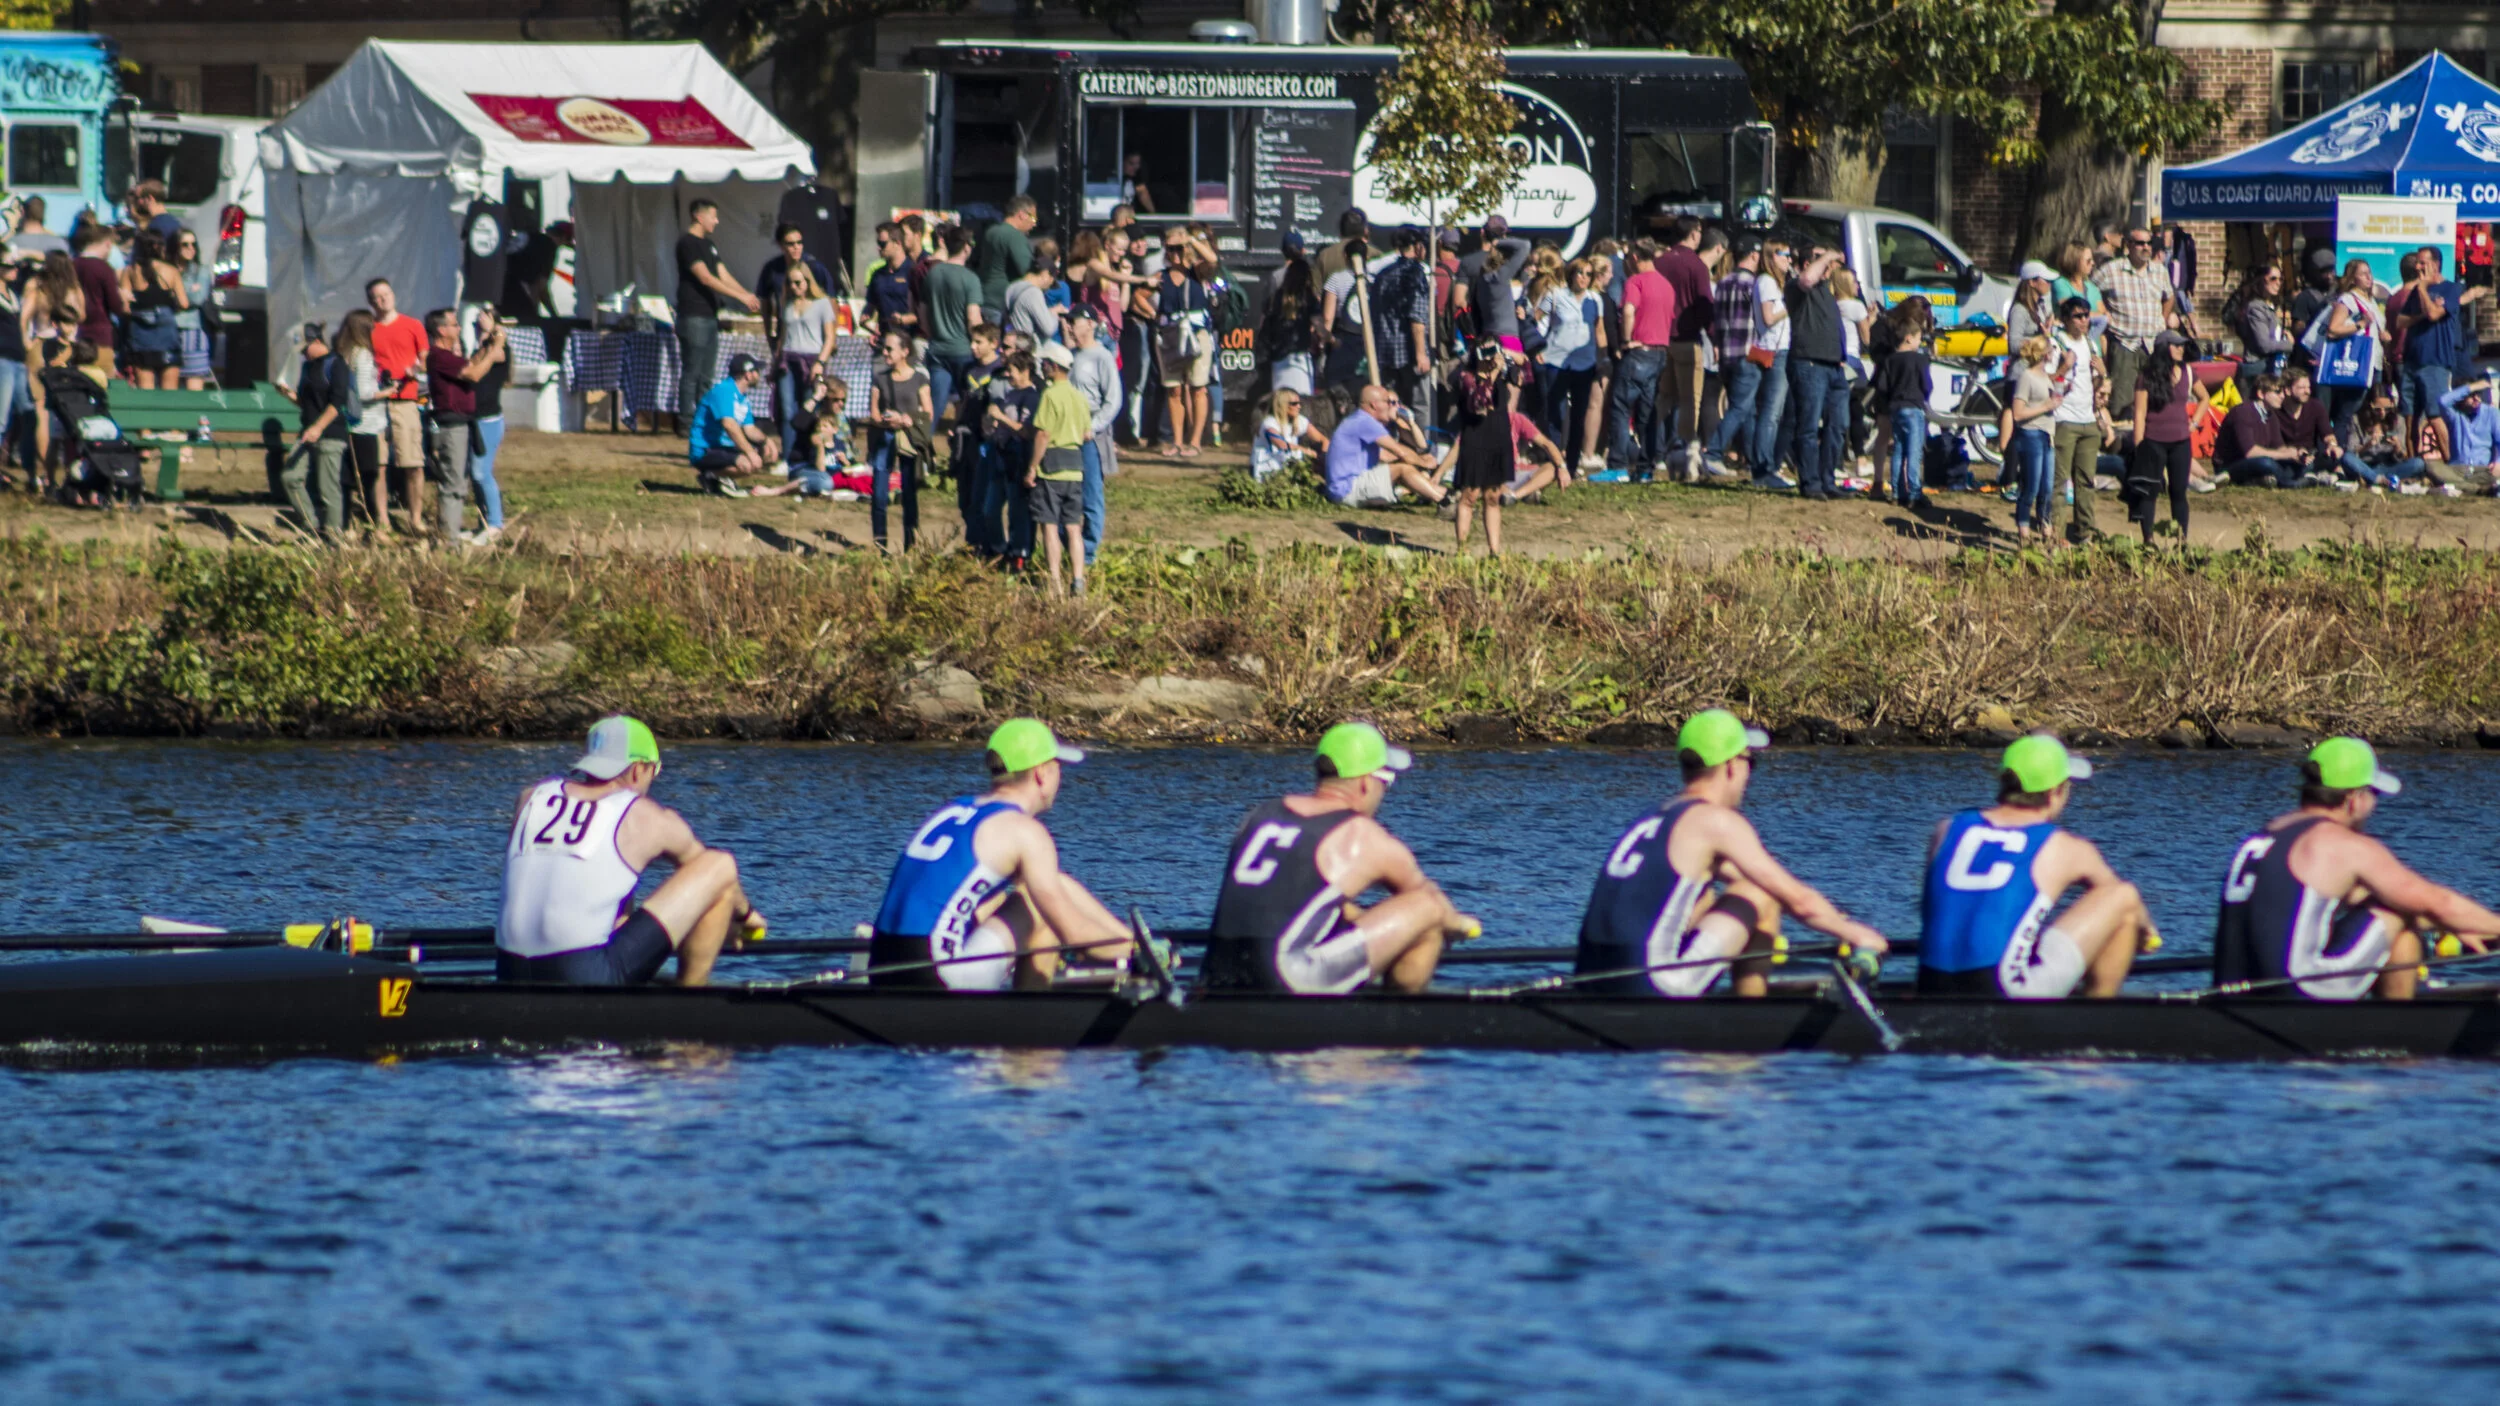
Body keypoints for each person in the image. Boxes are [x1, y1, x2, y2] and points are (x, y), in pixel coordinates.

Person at [1577, 710, 1887, 997]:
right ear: (1730, 766)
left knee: (1706, 895)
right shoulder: (1717, 822)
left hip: (1587, 974)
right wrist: (1855, 933)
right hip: (1651, 983)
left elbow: (1760, 884)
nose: (1749, 774)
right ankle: (1751, 1018)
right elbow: (1795, 899)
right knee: (1760, 896)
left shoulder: (1653, 816)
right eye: (1750, 762)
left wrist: (1833, 917)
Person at [1202, 722, 1480, 995]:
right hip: (1286, 978)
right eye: (1385, 782)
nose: (1383, 792)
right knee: (1427, 908)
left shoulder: (1260, 815)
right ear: (1364, 783)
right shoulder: (1362, 835)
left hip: (1217, 972)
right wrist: (1458, 926)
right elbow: (1432, 904)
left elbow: (1290, 903)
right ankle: (1402, 1022)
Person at [2213, 738, 2500, 1001]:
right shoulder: (2340, 844)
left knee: (2401, 908)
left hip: (2235, 991)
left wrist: (2452, 925)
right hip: (2302, 991)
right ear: (2355, 799)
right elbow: (2437, 902)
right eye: (2374, 794)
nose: (2374, 805)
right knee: (2397, 911)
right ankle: (2400, 1034)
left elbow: (2377, 901)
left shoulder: (2265, 836)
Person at [868, 719, 1134, 990]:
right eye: (1057, 767)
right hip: (936, 978)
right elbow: (1073, 933)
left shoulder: (953, 812)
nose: (1060, 776)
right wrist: (1136, 958)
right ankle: (1033, 1022)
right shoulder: (1025, 831)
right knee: (1042, 912)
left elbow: (986, 907)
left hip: (879, 966)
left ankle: (1133, 940)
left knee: (1046, 886)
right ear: (1041, 773)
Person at [495, 715, 760, 987]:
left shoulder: (530, 798)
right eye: (654, 770)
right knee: (721, 863)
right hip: (585, 974)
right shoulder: (644, 816)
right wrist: (745, 916)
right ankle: (689, 1006)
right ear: (637, 770)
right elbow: (713, 874)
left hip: (508, 970)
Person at [1920, 735, 2154, 998]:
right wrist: (2147, 933)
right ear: (2055, 792)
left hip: (1930, 985)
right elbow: (2124, 903)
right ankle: (2096, 1015)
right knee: (2125, 897)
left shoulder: (1946, 829)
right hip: (2003, 991)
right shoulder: (2065, 846)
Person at [2389, 245, 2486, 448]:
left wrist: (2424, 289)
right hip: (2411, 359)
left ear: (2435, 264)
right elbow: (2401, 321)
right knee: (2410, 418)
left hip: (2435, 360)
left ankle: (2451, 463)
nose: (2418, 267)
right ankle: (2413, 466)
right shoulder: (2416, 291)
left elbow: (2435, 315)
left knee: (2435, 414)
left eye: (2422, 262)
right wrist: (2424, 312)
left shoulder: (2451, 289)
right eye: (2417, 262)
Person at [674, 199, 759, 428]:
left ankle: (703, 419)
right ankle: (685, 420)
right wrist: (740, 297)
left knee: (706, 374)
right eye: (713, 216)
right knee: (692, 370)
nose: (717, 221)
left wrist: (747, 295)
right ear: (699, 217)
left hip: (710, 316)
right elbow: (705, 277)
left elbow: (723, 274)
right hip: (693, 316)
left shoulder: (709, 245)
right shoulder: (687, 244)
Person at [421, 307, 497, 539]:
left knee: (456, 483)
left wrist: (489, 344)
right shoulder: (440, 356)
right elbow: (474, 374)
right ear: (442, 330)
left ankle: (450, 534)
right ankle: (448, 539)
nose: (459, 328)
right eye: (455, 325)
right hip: (451, 427)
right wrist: (496, 350)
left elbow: (471, 364)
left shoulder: (447, 357)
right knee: (453, 485)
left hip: (458, 425)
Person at [2091, 226, 2178, 428]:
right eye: (2140, 243)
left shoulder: (2159, 271)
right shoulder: (2111, 270)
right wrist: (2105, 316)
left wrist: (2163, 319)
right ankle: (2122, 450)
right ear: (2128, 245)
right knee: (2122, 401)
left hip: (2153, 344)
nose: (2146, 247)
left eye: (2149, 243)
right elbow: (2091, 292)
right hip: (2124, 344)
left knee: (2158, 397)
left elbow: (2169, 296)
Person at [2126, 329, 2208, 542]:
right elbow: (2140, 413)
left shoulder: (2188, 372)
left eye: (2182, 345)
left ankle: (2181, 540)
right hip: (2153, 441)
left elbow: (2204, 398)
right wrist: (2139, 446)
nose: (2181, 349)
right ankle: (2148, 540)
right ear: (2164, 348)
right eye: (2176, 345)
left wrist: (2194, 423)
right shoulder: (2146, 376)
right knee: (2150, 492)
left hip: (2180, 441)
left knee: (2179, 492)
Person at [1604, 237, 1673, 480]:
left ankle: (1618, 466)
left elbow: (1629, 310)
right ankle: (1646, 468)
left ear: (1634, 258)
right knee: (1648, 413)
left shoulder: (1635, 281)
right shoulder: (1666, 285)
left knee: (1621, 408)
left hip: (1638, 352)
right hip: (1660, 353)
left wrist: (1625, 340)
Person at [1784, 242, 1849, 501]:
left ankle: (1827, 480)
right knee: (1809, 426)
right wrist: (1830, 255)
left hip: (1834, 367)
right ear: (1807, 263)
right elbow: (1807, 279)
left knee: (1839, 425)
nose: (1829, 264)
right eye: (1821, 258)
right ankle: (1810, 483)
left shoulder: (1825, 291)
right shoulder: (1796, 287)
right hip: (1809, 364)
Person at [1026, 341, 1091, 597]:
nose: (1042, 368)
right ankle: (1078, 580)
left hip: (1051, 467)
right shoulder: (1079, 396)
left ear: (1053, 367)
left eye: (1044, 364)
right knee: (1074, 527)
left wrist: (1032, 467)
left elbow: (1043, 434)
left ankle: (1054, 582)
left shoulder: (1050, 395)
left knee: (1050, 526)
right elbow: (1087, 434)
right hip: (1075, 467)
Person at [1654, 216, 1717, 479]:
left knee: (1662, 398)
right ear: (1693, 234)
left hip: (1660, 339)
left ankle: (1653, 447)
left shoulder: (1660, 262)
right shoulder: (1696, 266)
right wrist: (1714, 339)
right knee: (1691, 399)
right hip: (1687, 340)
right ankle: (1687, 448)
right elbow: (1705, 307)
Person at [366, 279, 430, 535]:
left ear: (393, 294)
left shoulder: (412, 325)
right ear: (371, 302)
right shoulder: (368, 328)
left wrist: (412, 369)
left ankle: (416, 519)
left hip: (406, 400)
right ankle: (382, 519)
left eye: (386, 294)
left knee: (413, 462)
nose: (383, 300)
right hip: (377, 402)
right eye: (377, 297)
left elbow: (425, 360)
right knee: (379, 463)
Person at [2046, 297, 2109, 544]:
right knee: (2060, 482)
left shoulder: (2090, 344)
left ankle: (2085, 533)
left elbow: (2094, 384)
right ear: (2065, 319)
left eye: (2086, 315)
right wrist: (2063, 367)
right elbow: (2046, 380)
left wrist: (2102, 374)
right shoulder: (2056, 344)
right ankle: (2057, 535)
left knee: (2086, 482)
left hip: (2087, 420)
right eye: (2078, 316)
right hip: (2064, 419)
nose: (2084, 320)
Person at [1447, 341, 1518, 556]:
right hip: (1475, 439)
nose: (1489, 356)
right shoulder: (1467, 378)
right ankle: (1463, 549)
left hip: (1498, 438)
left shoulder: (1503, 376)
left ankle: (1494, 551)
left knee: (1492, 496)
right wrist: (1494, 373)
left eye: (1493, 350)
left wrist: (1515, 359)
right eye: (1485, 351)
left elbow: (1524, 377)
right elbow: (1479, 403)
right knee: (1469, 494)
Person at [1324, 383, 1446, 508]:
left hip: (1344, 488)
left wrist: (1399, 421)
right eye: (1388, 402)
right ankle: (1443, 501)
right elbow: (1400, 452)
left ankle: (1447, 494)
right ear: (1374, 404)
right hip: (1347, 488)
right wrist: (1424, 463)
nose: (1392, 407)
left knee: (1402, 470)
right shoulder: (1365, 422)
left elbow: (1414, 447)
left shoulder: (1359, 420)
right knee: (1402, 469)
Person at [283, 321, 350, 543]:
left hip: (330, 432)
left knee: (328, 488)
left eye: (305, 348)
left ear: (318, 341)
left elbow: (337, 401)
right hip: (308, 431)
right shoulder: (307, 367)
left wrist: (318, 427)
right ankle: (311, 526)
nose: (303, 353)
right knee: (290, 476)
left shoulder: (336, 363)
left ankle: (333, 536)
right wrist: (288, 395)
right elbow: (307, 402)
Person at [1154, 225, 1217, 458]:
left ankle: (1196, 441)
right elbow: (1140, 294)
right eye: (1170, 248)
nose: (1174, 253)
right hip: (1170, 336)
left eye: (1178, 248)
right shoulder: (1161, 276)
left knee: (1198, 388)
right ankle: (1177, 441)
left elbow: (1212, 259)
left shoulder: (1197, 272)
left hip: (1197, 334)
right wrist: (1153, 315)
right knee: (1174, 390)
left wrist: (1191, 239)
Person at [1064, 303, 1119, 565]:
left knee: (1091, 494)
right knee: (1067, 491)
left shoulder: (1102, 357)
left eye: (1074, 320)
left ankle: (1087, 554)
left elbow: (1113, 400)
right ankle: (1071, 550)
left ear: (1091, 324)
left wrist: (1093, 427)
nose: (1070, 325)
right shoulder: (1068, 356)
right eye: (1069, 320)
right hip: (1066, 433)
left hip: (1090, 435)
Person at [2314, 258, 2388, 447]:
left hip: (2372, 363)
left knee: (2353, 413)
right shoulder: (2348, 299)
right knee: (2345, 413)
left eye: (2369, 273)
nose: (2368, 277)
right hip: (2355, 363)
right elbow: (2334, 329)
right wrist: (2360, 324)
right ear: (2353, 278)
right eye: (2363, 274)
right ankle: (2335, 454)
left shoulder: (2370, 300)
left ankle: (2345, 450)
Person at [867, 330, 930, 548]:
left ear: (905, 351)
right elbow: (873, 412)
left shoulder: (919, 378)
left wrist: (905, 420)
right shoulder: (880, 378)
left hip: (908, 439)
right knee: (879, 495)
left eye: (889, 348)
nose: (884, 352)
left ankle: (910, 546)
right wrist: (886, 422)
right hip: (884, 436)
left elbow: (927, 413)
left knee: (909, 495)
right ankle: (880, 546)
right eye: (883, 348)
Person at [687, 352, 778, 495]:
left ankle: (718, 478)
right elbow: (729, 425)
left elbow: (749, 429)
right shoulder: (724, 391)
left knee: (757, 459)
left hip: (723, 448)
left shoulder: (742, 397)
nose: (759, 375)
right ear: (748, 374)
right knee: (748, 464)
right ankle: (711, 476)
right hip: (706, 449)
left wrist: (766, 441)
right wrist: (749, 452)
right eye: (756, 371)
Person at [773, 263, 835, 464]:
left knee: (809, 408)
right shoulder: (787, 303)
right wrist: (776, 358)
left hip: (811, 359)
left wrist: (820, 362)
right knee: (786, 409)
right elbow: (782, 335)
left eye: (798, 282)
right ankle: (788, 457)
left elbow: (830, 338)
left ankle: (808, 455)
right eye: (790, 283)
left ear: (808, 282)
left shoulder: (822, 303)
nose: (794, 287)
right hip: (788, 359)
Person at [922, 223, 983, 429]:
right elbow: (973, 319)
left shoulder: (933, 274)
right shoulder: (971, 279)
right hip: (963, 351)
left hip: (937, 350)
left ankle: (920, 451)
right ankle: (961, 452)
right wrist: (982, 344)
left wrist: (933, 333)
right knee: (967, 407)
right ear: (966, 246)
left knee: (934, 408)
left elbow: (922, 311)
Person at [333, 309, 388, 536]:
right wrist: (388, 391)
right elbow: (365, 392)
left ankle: (345, 523)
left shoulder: (343, 353)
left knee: (346, 477)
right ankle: (371, 520)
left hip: (347, 423)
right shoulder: (364, 355)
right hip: (366, 424)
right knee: (368, 475)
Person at [1747, 238, 1795, 486]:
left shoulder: (1776, 283)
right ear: (1771, 256)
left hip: (1782, 351)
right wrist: (1789, 306)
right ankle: (1762, 470)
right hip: (1775, 352)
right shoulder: (1766, 282)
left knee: (1783, 414)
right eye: (1784, 254)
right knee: (1771, 413)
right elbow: (1768, 317)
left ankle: (1772, 465)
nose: (1789, 259)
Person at [2002, 336, 2059, 545]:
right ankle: (2023, 528)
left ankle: (2046, 527)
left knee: (2047, 487)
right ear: (2044, 353)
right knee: (2031, 487)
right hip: (2031, 435)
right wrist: (2046, 407)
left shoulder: (2045, 377)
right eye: (2052, 349)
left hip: (2047, 435)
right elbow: (2017, 413)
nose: (2054, 353)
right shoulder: (2026, 376)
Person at [1869, 318, 1931, 508]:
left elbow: (1883, 386)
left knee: (1898, 451)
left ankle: (1896, 492)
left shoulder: (1889, 360)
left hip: (1895, 409)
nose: (1920, 342)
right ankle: (1914, 493)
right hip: (1913, 408)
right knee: (1914, 452)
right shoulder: (1919, 359)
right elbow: (1927, 384)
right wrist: (1922, 397)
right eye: (1919, 338)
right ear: (1908, 338)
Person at [2214, 375, 2310, 488]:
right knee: (2266, 463)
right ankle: (2288, 482)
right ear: (2261, 394)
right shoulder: (2243, 412)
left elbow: (2278, 446)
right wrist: (2284, 455)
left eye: (2283, 392)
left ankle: (2263, 479)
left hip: (2256, 460)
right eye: (2277, 392)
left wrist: (2296, 453)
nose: (2282, 396)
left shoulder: (2271, 415)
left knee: (2302, 462)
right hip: (2231, 465)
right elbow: (2250, 452)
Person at [466, 310, 512, 545]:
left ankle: (495, 524)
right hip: (475, 419)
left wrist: (493, 334)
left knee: (481, 472)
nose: (477, 324)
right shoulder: (479, 351)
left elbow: (492, 356)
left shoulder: (500, 351)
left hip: (489, 421)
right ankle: (483, 522)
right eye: (475, 322)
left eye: (482, 320)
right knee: (475, 475)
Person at [754, 223, 836, 352]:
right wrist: (769, 335)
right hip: (787, 332)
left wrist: (832, 337)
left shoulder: (815, 267)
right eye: (790, 244)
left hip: (813, 336)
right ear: (780, 245)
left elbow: (831, 300)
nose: (796, 247)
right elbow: (765, 303)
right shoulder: (772, 269)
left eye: (799, 243)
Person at [1262, 232, 1320, 398]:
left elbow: (1266, 311)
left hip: (1279, 349)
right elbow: (1315, 314)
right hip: (1300, 351)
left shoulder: (1275, 277)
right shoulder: (1308, 277)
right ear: (1303, 251)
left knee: (1281, 399)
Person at [68, 222, 123, 380]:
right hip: (100, 335)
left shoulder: (72, 264)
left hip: (74, 333)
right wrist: (123, 299)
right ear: (107, 243)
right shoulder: (104, 268)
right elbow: (115, 306)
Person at [972, 195, 1038, 327]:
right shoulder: (1015, 236)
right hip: (1001, 302)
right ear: (1022, 215)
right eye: (1033, 217)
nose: (1034, 223)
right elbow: (1027, 270)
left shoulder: (991, 231)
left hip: (984, 298)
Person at [167, 229, 214, 390]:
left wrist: (177, 292)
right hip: (169, 330)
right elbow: (164, 297)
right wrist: (188, 290)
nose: (190, 248)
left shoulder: (201, 270)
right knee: (169, 385)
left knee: (194, 384)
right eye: (185, 244)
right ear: (175, 246)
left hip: (192, 331)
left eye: (193, 244)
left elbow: (198, 298)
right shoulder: (167, 269)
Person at [1253, 386, 1330, 481]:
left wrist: (1323, 457)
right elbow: (1282, 445)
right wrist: (1306, 451)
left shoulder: (1300, 421)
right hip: (1264, 471)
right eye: (1294, 404)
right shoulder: (1269, 423)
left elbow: (1323, 440)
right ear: (1283, 405)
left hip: (1286, 470)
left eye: (1299, 403)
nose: (1299, 406)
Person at [865, 222, 917, 338]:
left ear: (897, 243)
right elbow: (871, 304)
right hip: (886, 338)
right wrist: (866, 317)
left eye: (882, 244)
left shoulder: (914, 271)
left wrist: (904, 319)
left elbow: (926, 311)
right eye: (878, 243)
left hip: (909, 338)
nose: (879, 248)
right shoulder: (878, 275)